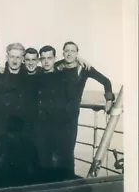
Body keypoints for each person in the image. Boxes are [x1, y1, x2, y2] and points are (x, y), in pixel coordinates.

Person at [0, 43, 39, 187]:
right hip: (0, 132)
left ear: (23, 59)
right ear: (7, 56)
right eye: (12, 56)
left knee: (20, 175)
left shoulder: (29, 78)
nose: (15, 60)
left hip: (21, 134)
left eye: (18, 57)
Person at [55, 41, 115, 173]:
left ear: (77, 53)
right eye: (67, 50)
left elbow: (106, 81)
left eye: (73, 51)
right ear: (63, 52)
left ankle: (69, 180)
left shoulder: (83, 68)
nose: (69, 53)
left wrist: (109, 100)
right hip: (54, 116)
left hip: (71, 116)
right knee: (54, 150)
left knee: (68, 150)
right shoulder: (57, 66)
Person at [36, 45, 76, 182]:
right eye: (43, 58)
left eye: (49, 58)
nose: (46, 61)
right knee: (44, 163)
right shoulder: (37, 76)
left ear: (55, 59)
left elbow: (71, 100)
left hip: (60, 127)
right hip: (42, 128)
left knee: (64, 163)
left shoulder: (64, 76)